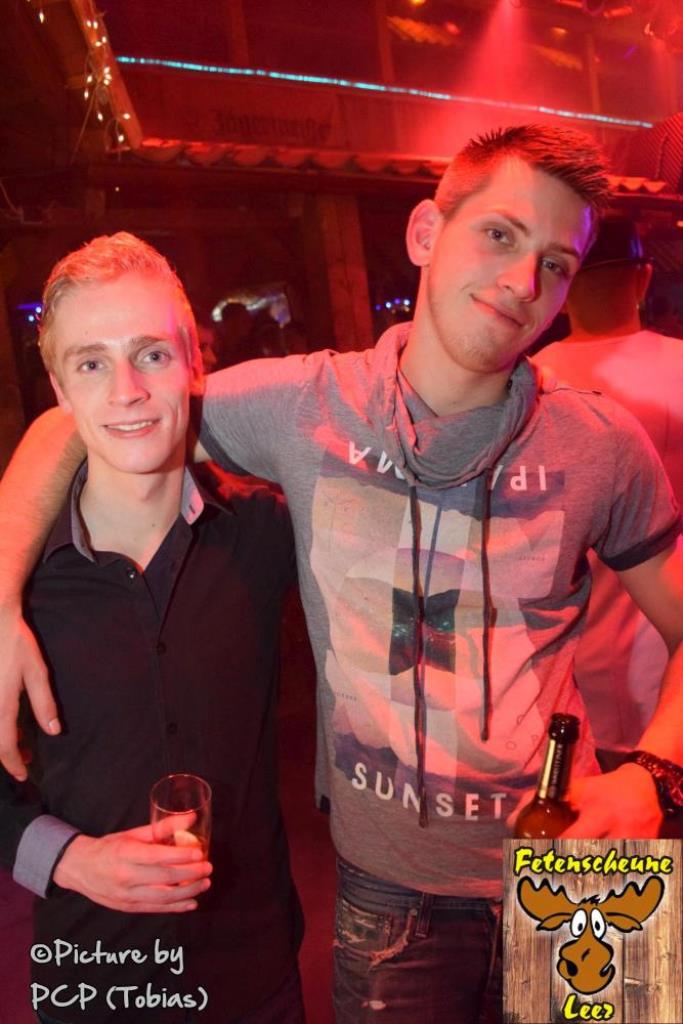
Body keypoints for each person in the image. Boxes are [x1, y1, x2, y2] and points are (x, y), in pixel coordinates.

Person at [1, 125, 683, 1024]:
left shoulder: (601, 441)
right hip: (388, 890)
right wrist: (1, 595)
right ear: (425, 233)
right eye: (500, 234)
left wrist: (654, 775)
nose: (524, 282)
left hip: (584, 856)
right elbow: (94, 412)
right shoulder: (298, 403)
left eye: (555, 263)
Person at [0, 234, 304, 1024]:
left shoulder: (266, 531)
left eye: (152, 355)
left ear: (196, 364)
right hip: (93, 980)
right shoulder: (17, 577)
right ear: (59, 390)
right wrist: (67, 858)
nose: (127, 391)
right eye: (91, 364)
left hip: (255, 976)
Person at [534, 218, 683, 770]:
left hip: (563, 672)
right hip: (668, 663)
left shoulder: (527, 383)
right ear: (643, 278)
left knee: (580, 818)